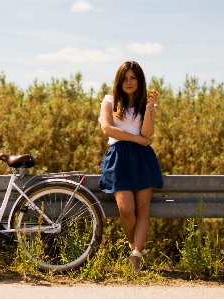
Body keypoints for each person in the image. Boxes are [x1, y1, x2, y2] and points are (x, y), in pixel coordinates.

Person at [98, 61, 163, 272]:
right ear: (119, 80)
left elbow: (147, 134)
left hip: (142, 158)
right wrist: (135, 140)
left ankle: (135, 255)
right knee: (126, 210)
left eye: (133, 77)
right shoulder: (109, 101)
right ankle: (134, 244)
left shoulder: (147, 103)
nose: (129, 82)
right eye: (125, 78)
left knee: (143, 209)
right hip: (118, 157)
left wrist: (148, 108)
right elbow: (108, 129)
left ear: (139, 80)